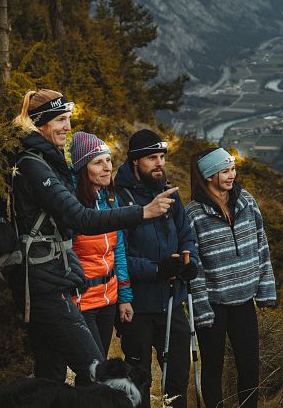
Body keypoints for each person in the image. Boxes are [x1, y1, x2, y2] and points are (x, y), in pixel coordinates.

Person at [8, 89, 177, 384]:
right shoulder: (34, 166)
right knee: (98, 373)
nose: (67, 127)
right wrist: (142, 212)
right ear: (41, 123)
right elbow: (80, 218)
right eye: (60, 119)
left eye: (68, 119)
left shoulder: (44, 162)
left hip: (48, 281)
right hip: (47, 286)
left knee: (51, 375)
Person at [113, 129, 198, 408]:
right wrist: (157, 269)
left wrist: (189, 262)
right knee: (139, 378)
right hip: (137, 304)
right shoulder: (120, 199)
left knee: (177, 375)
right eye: (152, 157)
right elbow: (118, 254)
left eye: (162, 156)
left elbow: (186, 233)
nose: (159, 162)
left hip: (172, 299)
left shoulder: (168, 192)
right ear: (136, 161)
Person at [187, 147, 277, 408]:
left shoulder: (246, 201)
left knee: (249, 365)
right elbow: (195, 266)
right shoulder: (193, 214)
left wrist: (266, 290)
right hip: (213, 305)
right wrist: (201, 308)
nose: (231, 175)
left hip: (244, 302)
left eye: (232, 169)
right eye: (224, 171)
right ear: (209, 175)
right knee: (213, 366)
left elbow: (262, 244)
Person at [69, 131, 134, 358]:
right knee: (92, 369)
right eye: (98, 162)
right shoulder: (71, 205)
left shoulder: (109, 199)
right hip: (82, 302)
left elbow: (119, 251)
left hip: (108, 298)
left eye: (108, 160)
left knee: (100, 365)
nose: (107, 167)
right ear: (83, 169)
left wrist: (124, 298)